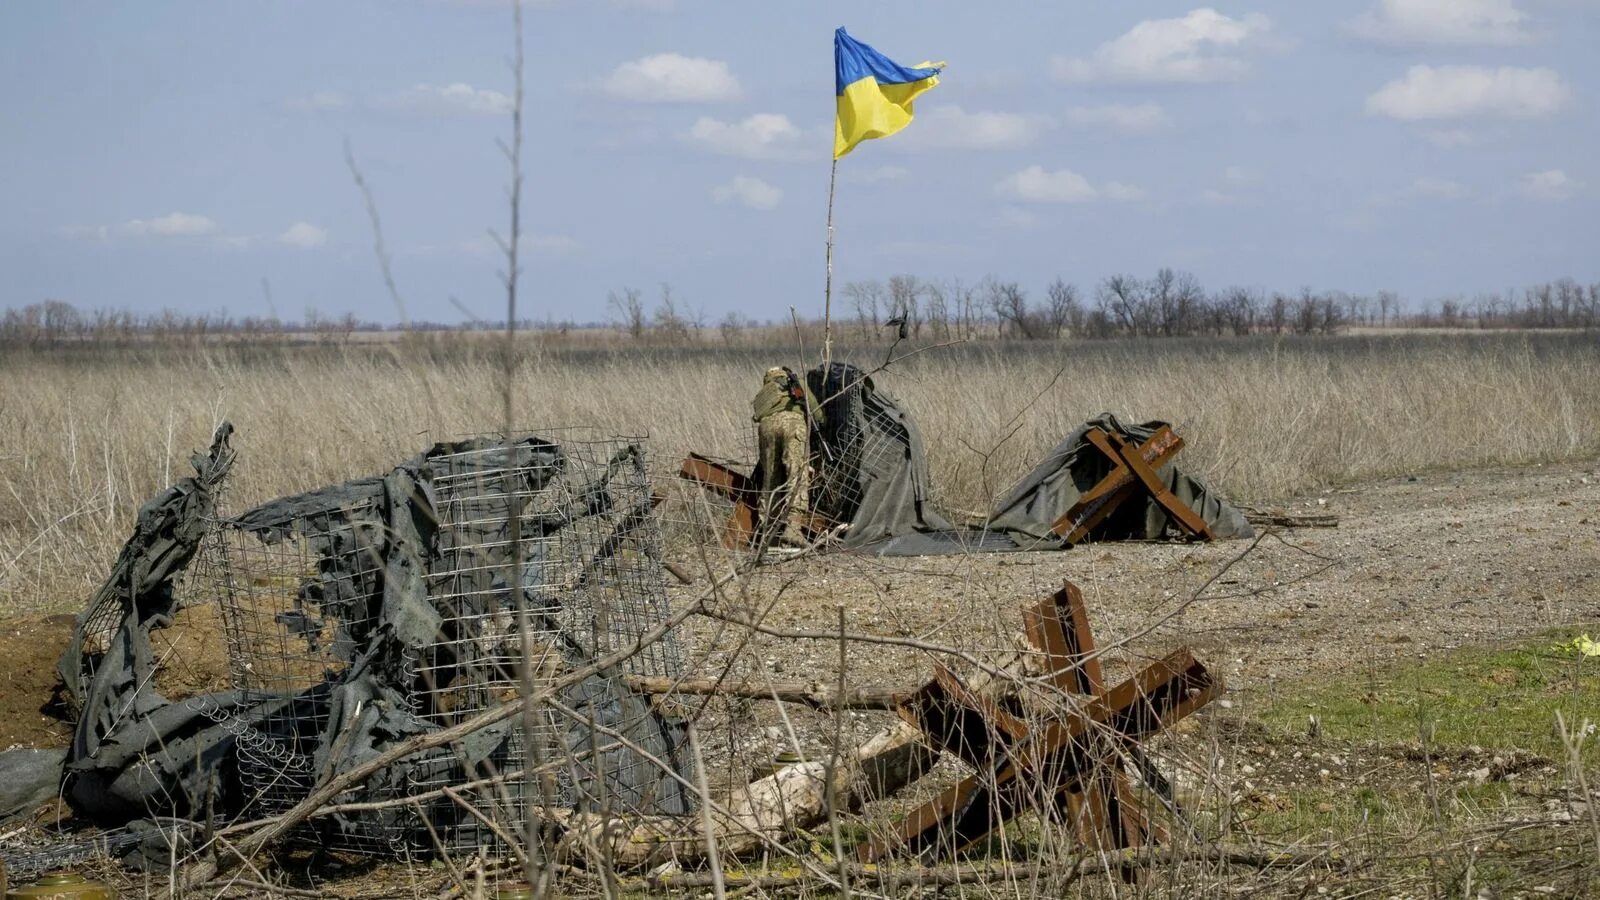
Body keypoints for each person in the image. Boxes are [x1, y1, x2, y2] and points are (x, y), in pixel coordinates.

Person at [751, 366, 822, 547]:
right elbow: (817, 412)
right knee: (796, 474)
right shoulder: (796, 383)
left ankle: (768, 534)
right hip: (792, 422)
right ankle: (793, 528)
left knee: (770, 480)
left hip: (766, 427)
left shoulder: (763, 394)